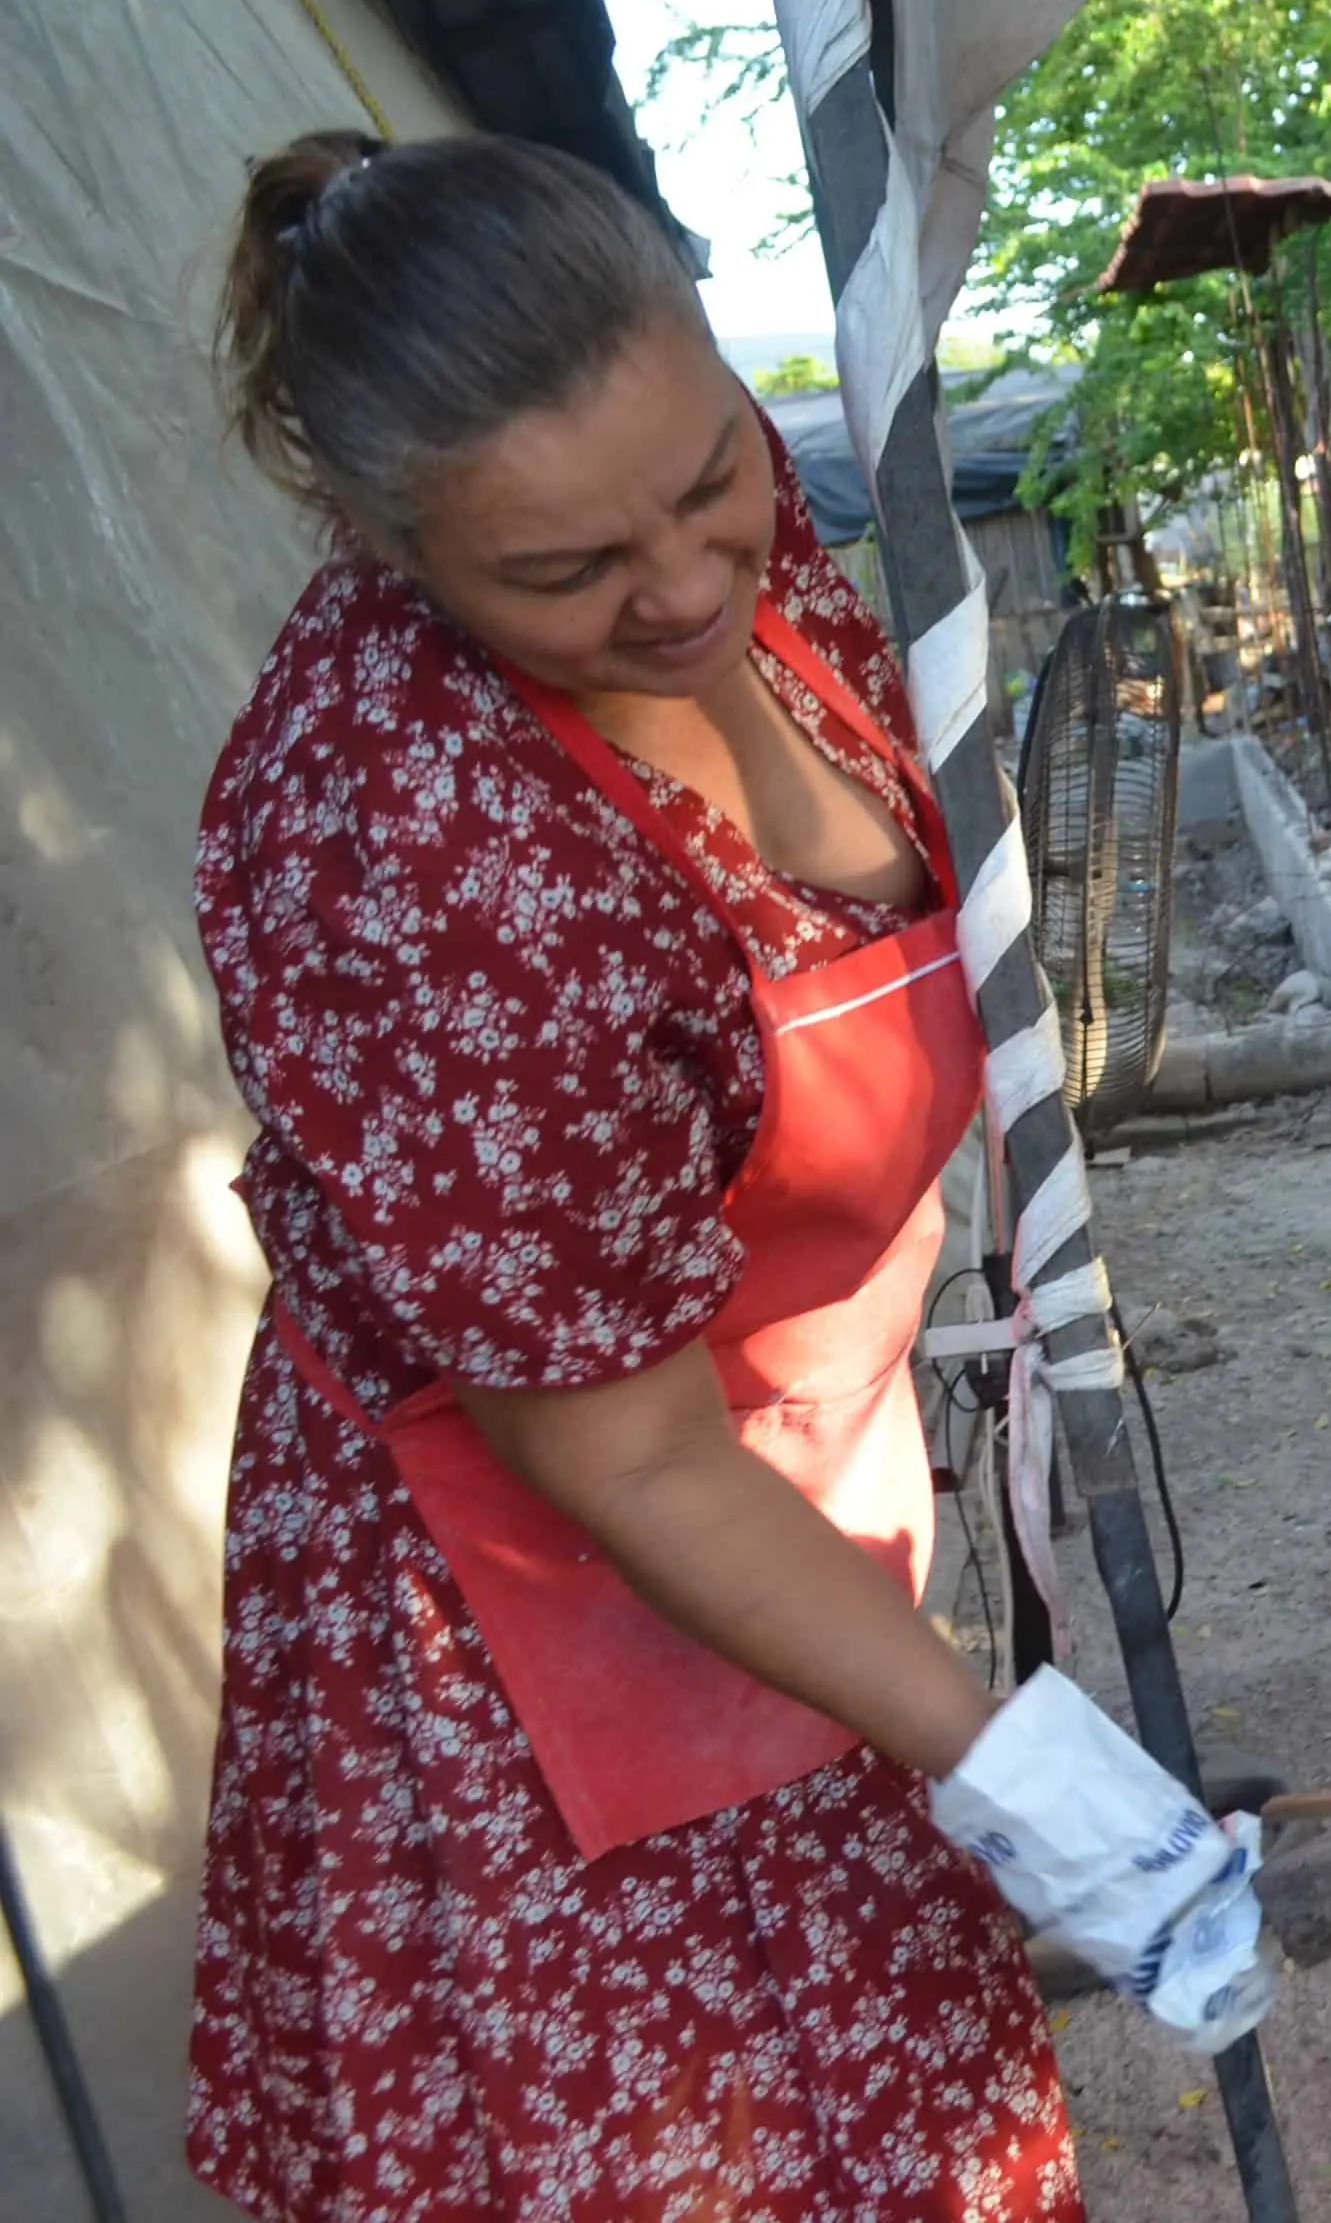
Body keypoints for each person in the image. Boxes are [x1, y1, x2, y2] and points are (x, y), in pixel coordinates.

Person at [183, 129, 1267, 2222]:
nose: (682, 589)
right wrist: (1016, 1767)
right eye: (568, 578)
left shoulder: (735, 565)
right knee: (705, 2147)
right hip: (539, 1601)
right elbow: (631, 1463)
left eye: (706, 488)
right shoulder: (416, 845)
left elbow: (858, 873)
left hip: (780, 1485)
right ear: (382, 539)